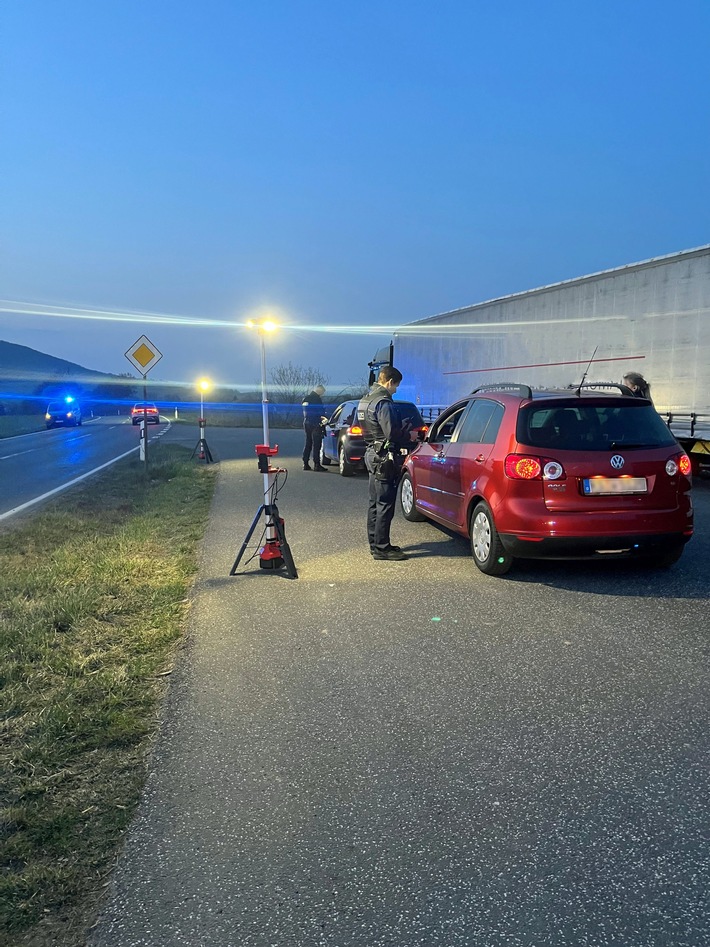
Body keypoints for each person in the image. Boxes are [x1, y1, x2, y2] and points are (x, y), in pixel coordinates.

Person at [358, 366, 417, 561]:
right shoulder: (383, 402)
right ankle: (383, 548)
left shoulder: (365, 401)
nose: (396, 390)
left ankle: (375, 544)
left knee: (374, 503)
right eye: (396, 386)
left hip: (370, 453)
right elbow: (391, 433)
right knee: (385, 503)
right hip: (383, 457)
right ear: (390, 381)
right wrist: (409, 434)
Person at [302, 384, 328, 471]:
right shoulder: (317, 399)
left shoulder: (306, 398)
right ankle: (317, 464)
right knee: (317, 444)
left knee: (308, 443)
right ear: (319, 390)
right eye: (322, 392)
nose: (322, 394)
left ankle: (305, 463)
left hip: (307, 422)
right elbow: (320, 412)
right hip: (316, 423)